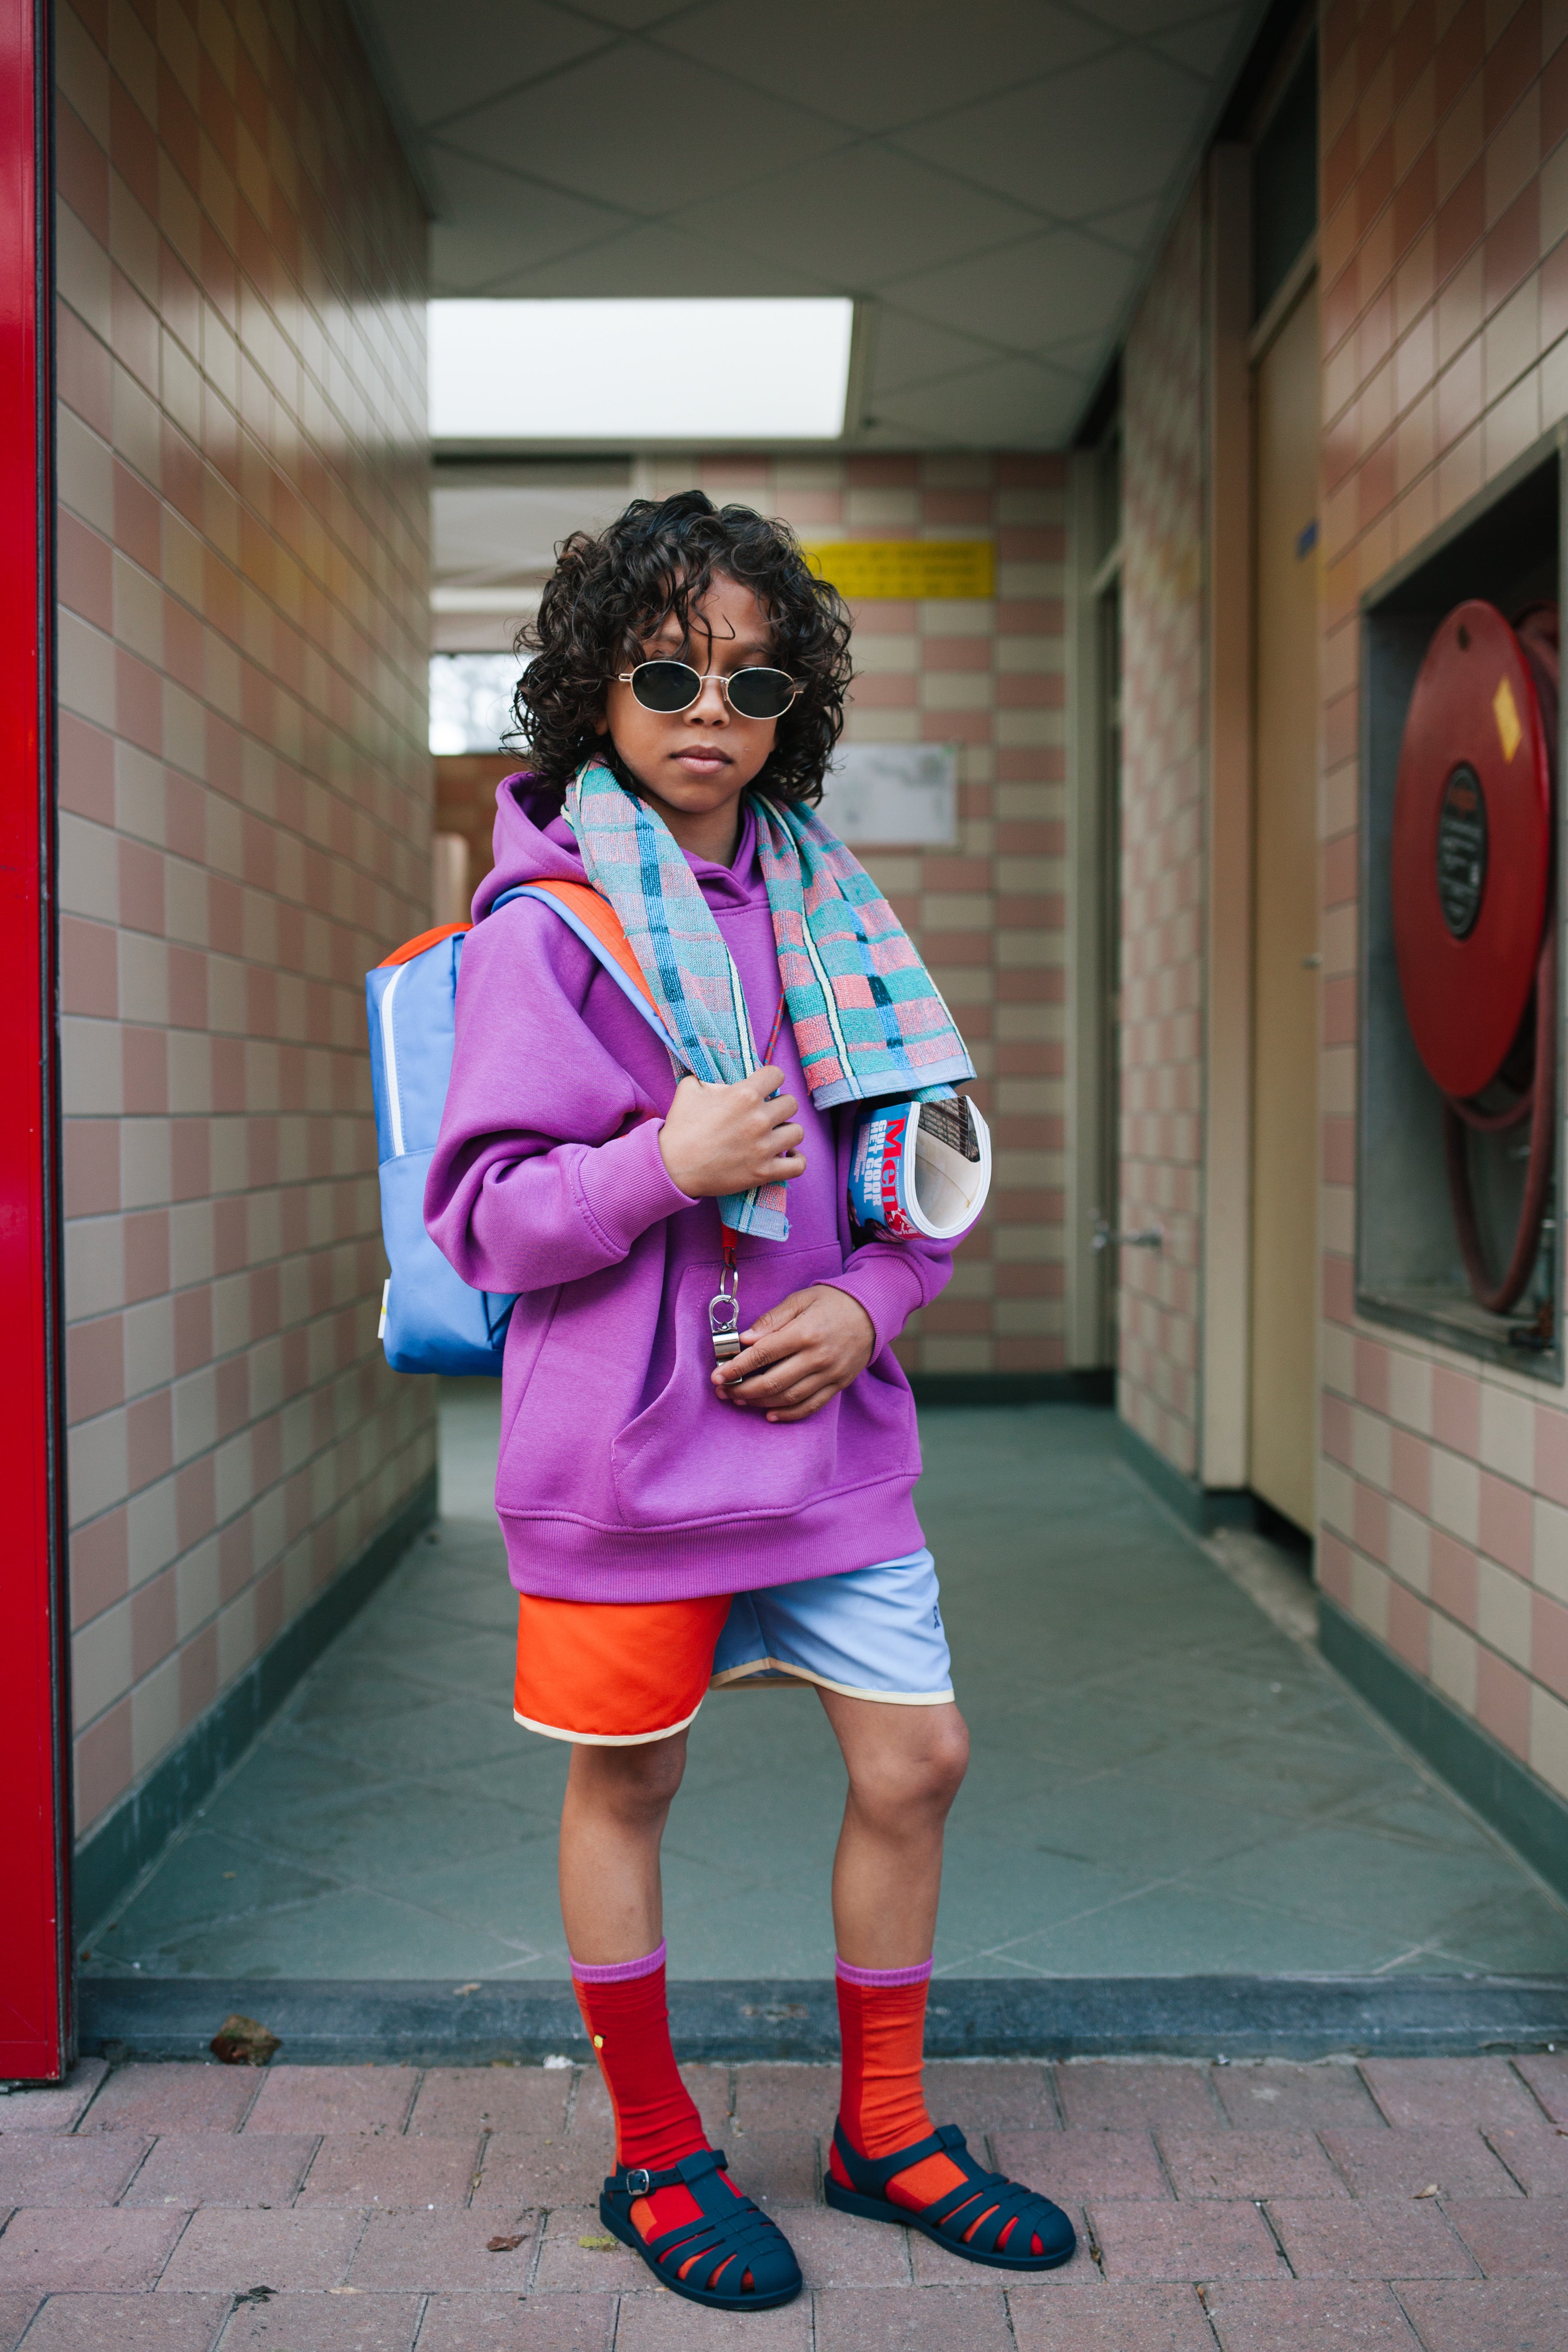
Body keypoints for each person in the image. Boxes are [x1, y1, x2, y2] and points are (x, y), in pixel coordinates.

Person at [425, 490, 1075, 2311]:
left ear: (794, 707)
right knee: (631, 1778)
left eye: (752, 680)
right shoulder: (545, 929)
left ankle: (886, 2130)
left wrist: (871, 1304)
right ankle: (654, 2155)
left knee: (917, 1759)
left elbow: (919, 1172)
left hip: (825, 1443)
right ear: (594, 691)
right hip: (627, 1461)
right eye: (665, 674)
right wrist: (666, 1159)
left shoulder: (832, 912)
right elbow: (483, 1218)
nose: (709, 711)